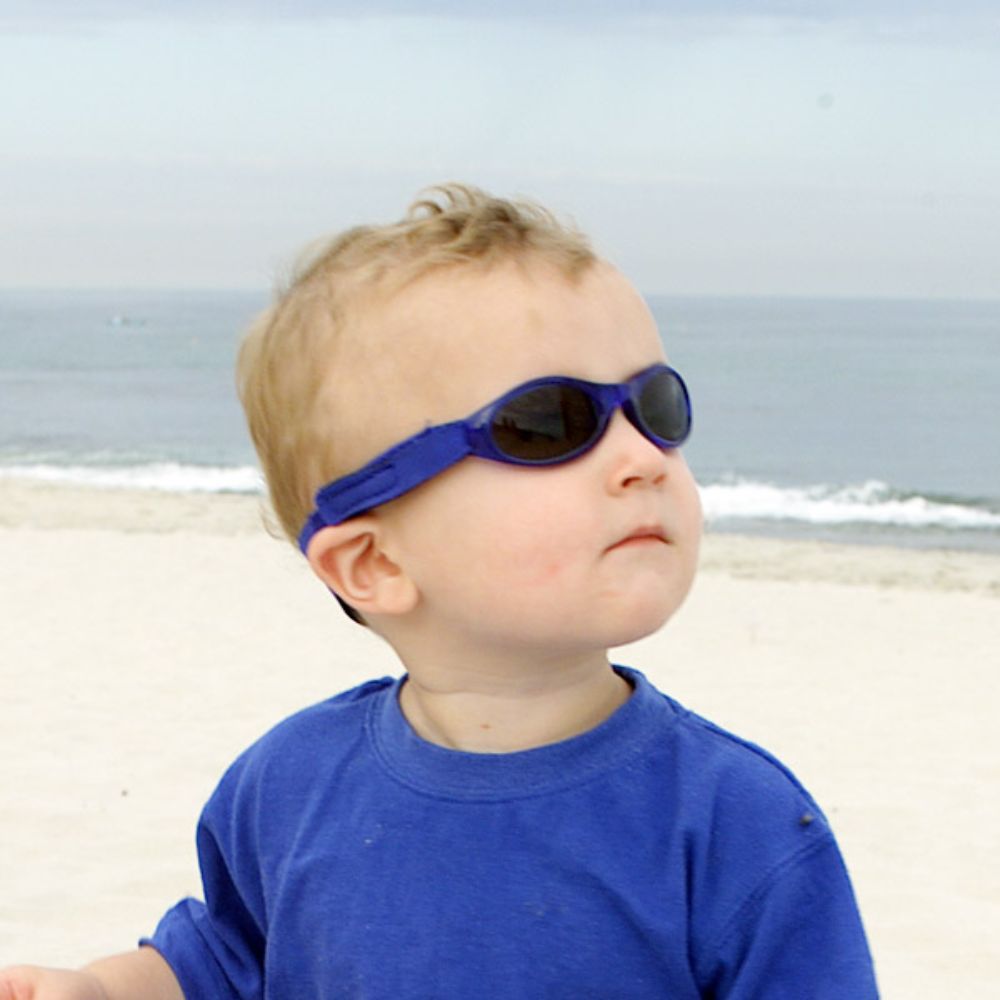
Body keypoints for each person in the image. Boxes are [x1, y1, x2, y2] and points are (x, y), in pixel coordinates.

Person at [0, 184, 879, 999]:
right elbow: (218, 964)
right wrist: (101, 989)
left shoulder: (738, 822)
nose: (643, 458)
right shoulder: (290, 784)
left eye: (657, 408)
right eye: (548, 424)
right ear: (374, 565)